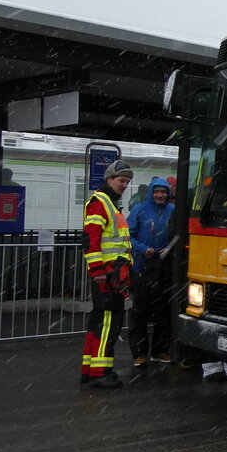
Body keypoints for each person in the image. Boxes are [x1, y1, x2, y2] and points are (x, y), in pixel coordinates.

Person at [80, 159, 135, 390]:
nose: (125, 185)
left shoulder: (108, 203)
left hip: (111, 275)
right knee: (108, 323)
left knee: (99, 322)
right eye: (122, 180)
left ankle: (89, 369)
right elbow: (90, 239)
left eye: (127, 182)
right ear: (109, 179)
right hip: (108, 276)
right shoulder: (101, 202)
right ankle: (100, 373)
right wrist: (98, 271)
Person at [127, 177, 176, 366]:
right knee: (140, 312)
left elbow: (179, 235)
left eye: (163, 192)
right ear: (150, 193)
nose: (160, 195)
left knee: (163, 312)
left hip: (165, 267)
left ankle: (160, 350)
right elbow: (127, 236)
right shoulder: (139, 210)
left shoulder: (173, 210)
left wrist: (170, 249)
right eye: (156, 192)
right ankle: (139, 354)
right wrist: (142, 249)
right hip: (143, 267)